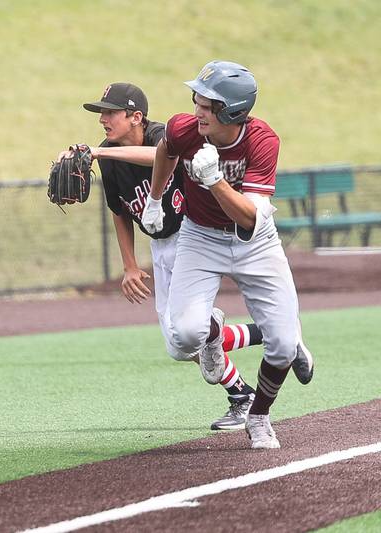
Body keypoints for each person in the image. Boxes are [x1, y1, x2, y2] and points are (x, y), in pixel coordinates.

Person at [64, 82, 262, 431]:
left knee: (187, 334)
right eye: (101, 113)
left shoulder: (162, 134)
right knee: (178, 347)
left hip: (195, 234)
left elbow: (161, 154)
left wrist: (100, 153)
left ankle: (241, 393)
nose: (103, 120)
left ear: (136, 116)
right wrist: (129, 264)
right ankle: (262, 337)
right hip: (161, 244)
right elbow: (119, 211)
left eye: (110, 112)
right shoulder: (110, 159)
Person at [141, 61, 314, 449]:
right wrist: (154, 200)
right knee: (183, 339)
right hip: (201, 237)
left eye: (208, 103)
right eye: (197, 99)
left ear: (232, 111)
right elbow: (166, 149)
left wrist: (214, 181)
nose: (197, 108)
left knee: (283, 345)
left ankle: (259, 417)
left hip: (255, 240)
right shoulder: (186, 128)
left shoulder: (262, 140)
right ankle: (214, 331)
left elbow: (250, 219)